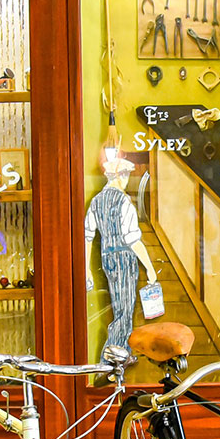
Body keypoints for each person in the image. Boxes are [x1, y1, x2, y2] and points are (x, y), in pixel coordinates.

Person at [83, 151, 159, 359]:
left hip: (107, 257)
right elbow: (133, 240)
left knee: (119, 308)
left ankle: (120, 353)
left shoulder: (96, 201)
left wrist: (87, 269)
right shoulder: (124, 202)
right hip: (124, 259)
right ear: (119, 176)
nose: (127, 179)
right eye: (125, 175)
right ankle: (112, 358)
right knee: (124, 311)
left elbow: (87, 236)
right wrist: (150, 268)